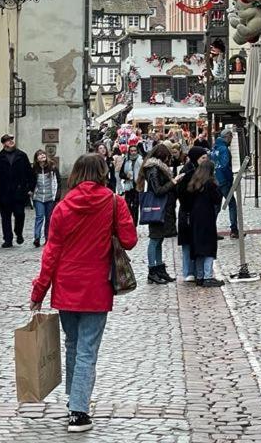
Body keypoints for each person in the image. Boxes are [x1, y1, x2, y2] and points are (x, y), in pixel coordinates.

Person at [30, 153, 137, 434]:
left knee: (73, 345)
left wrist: (39, 290)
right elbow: (129, 240)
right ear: (103, 173)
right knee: (87, 349)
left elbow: (50, 253)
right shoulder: (114, 202)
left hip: (66, 287)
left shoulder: (63, 207)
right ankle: (78, 411)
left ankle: (73, 401)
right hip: (96, 288)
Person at [138, 143, 180, 284]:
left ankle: (159, 269)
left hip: (162, 208)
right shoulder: (153, 169)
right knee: (155, 239)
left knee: (159, 239)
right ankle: (152, 270)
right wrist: (173, 182)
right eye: (167, 156)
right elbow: (157, 190)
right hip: (156, 208)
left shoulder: (157, 167)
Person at [0, 134, 35, 248]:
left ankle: (18, 232)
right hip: (4, 193)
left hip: (19, 192)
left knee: (20, 214)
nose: (11, 142)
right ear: (3, 144)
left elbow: (30, 173)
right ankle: (8, 239)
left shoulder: (22, 156)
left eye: (11, 140)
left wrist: (31, 188)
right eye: (8, 140)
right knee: (5, 218)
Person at [178, 159, 224, 287]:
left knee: (197, 247)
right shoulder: (210, 184)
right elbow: (216, 199)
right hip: (207, 218)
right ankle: (208, 276)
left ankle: (199, 276)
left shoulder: (194, 183)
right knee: (208, 247)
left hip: (194, 218)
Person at [176, 146, 207, 282]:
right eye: (203, 158)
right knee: (188, 244)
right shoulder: (187, 172)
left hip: (199, 213)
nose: (206, 160)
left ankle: (197, 271)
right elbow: (181, 193)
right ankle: (188, 271)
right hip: (187, 212)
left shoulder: (204, 171)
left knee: (197, 242)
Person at [212, 127, 238, 238]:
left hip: (214, 181)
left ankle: (211, 231)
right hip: (223, 181)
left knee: (216, 207)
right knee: (232, 204)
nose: (231, 140)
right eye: (231, 137)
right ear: (227, 137)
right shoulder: (224, 149)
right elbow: (225, 166)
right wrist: (230, 180)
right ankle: (234, 230)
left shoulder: (214, 148)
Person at [31, 149, 61, 247]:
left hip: (50, 197)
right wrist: (30, 190)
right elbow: (30, 182)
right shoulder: (34, 169)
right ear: (36, 158)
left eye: (43, 154)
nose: (42, 156)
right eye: (39, 155)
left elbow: (58, 182)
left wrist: (57, 196)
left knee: (49, 218)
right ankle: (37, 237)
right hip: (38, 197)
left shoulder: (52, 168)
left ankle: (48, 238)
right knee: (39, 217)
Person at [116, 141, 142, 225]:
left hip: (137, 185)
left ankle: (134, 223)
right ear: (129, 151)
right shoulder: (126, 160)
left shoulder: (140, 160)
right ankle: (129, 221)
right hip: (128, 185)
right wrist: (127, 176)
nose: (133, 152)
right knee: (127, 205)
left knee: (136, 205)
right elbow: (121, 174)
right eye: (132, 151)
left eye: (135, 150)